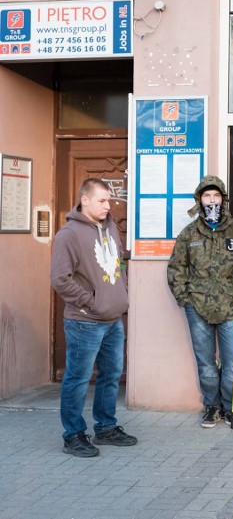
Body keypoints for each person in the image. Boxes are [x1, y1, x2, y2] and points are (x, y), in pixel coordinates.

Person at [50, 178, 137, 457]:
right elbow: (60, 280)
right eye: (101, 200)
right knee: (78, 378)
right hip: (84, 322)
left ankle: (106, 427)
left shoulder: (110, 226)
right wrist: (93, 303)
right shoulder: (69, 234)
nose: (108, 205)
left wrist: (121, 292)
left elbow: (118, 262)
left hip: (113, 319)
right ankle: (73, 435)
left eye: (109, 200)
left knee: (111, 375)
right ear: (84, 200)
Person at [167, 176, 233, 430]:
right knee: (207, 363)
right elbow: (176, 269)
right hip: (197, 308)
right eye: (207, 196)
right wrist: (184, 300)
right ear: (200, 200)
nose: (212, 201)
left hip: (230, 306)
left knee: (231, 362)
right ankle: (212, 407)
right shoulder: (189, 234)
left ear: (223, 200)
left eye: (216, 196)